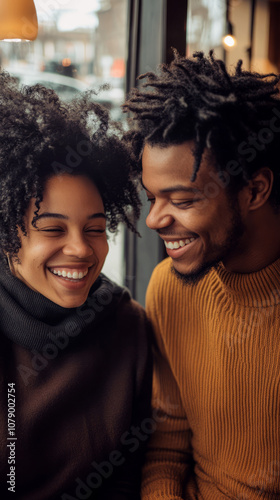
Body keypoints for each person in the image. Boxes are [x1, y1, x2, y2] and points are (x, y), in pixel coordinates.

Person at [123, 50, 280, 499]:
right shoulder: (169, 289)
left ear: (254, 190)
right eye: (153, 197)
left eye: (182, 200)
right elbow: (168, 442)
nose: (154, 220)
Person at [0, 70, 152, 500]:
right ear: (7, 234)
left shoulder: (128, 326)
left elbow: (129, 475)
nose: (81, 250)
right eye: (52, 229)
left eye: (95, 228)